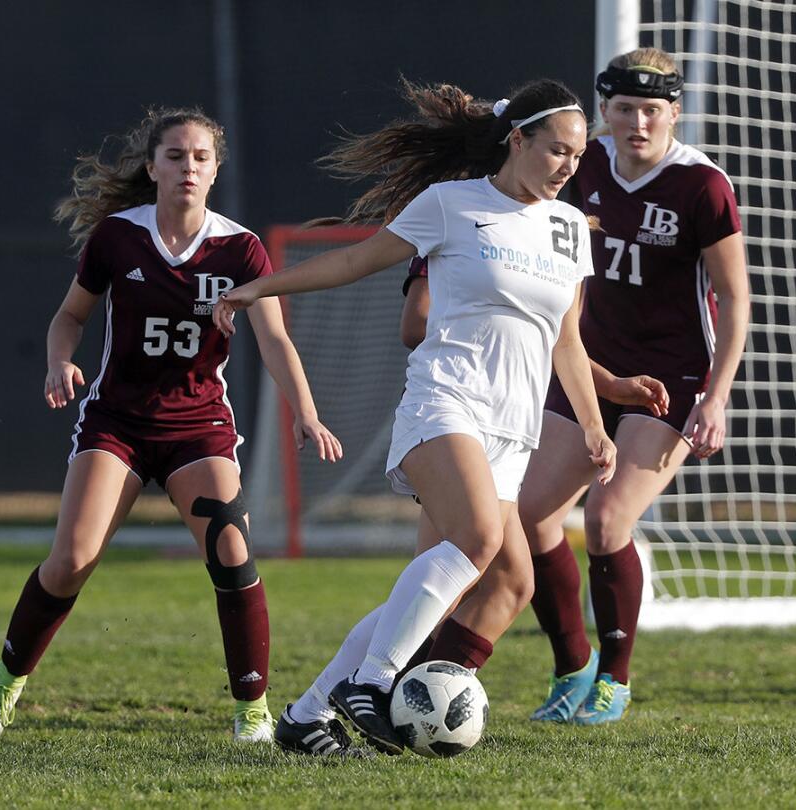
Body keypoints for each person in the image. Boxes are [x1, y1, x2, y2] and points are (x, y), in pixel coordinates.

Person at [214, 78, 618, 755]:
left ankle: (307, 715)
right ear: (517, 140)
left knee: (511, 580)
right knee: (478, 540)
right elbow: (354, 259)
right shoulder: (451, 204)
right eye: (556, 151)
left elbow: (566, 339)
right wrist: (261, 288)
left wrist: (594, 422)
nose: (568, 167)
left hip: (513, 431)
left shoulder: (568, 228)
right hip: (446, 400)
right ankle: (370, 684)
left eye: (578, 157)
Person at [0, 108, 343, 743]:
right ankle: (1, 687)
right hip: (117, 422)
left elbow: (275, 339)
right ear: (153, 167)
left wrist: (305, 411)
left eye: (200, 157)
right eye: (175, 156)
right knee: (72, 558)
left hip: (198, 427)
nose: (188, 167)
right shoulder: (118, 237)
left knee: (232, 551)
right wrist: (60, 361)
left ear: (216, 169)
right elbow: (69, 317)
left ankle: (253, 712)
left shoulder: (239, 247)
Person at [513, 47, 750, 726]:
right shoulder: (581, 164)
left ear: (674, 112)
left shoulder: (702, 186)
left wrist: (717, 395)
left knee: (608, 518)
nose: (638, 122)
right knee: (527, 518)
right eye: (624, 109)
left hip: (670, 378)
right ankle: (572, 667)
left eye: (652, 110)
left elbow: (735, 298)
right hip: (588, 368)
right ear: (603, 112)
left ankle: (614, 680)